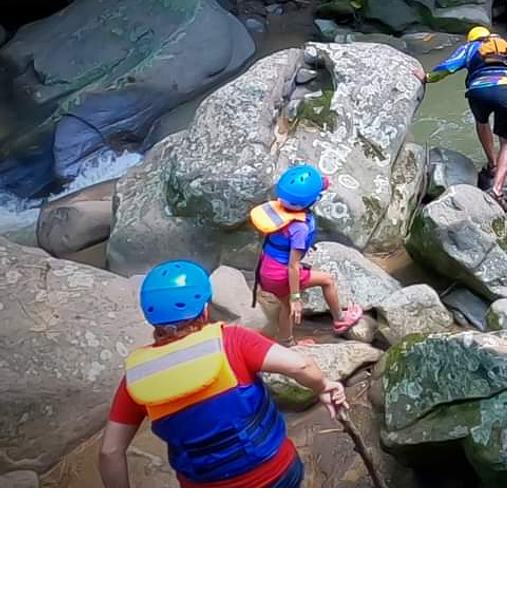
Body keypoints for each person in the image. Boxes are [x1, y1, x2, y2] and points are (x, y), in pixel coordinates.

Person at [99, 260, 347, 488]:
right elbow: (300, 366)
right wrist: (323, 386)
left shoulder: (137, 377)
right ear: (205, 311)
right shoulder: (232, 341)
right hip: (276, 475)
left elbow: (110, 452)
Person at [413, 26, 507, 203]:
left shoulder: (469, 48)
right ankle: (497, 189)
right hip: (506, 90)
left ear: (472, 38)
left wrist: (427, 77)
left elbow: (449, 67)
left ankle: (492, 165)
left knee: (481, 122)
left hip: (478, 92)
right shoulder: (504, 45)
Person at [251, 165, 363, 347]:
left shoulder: (279, 209)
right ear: (312, 200)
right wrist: (296, 297)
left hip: (266, 268)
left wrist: (323, 182)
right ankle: (340, 320)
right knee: (326, 280)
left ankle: (286, 340)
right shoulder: (299, 228)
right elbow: (292, 266)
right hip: (280, 274)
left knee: (285, 304)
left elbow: (315, 186)